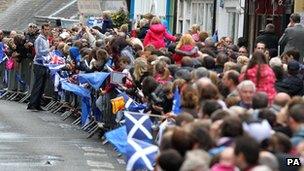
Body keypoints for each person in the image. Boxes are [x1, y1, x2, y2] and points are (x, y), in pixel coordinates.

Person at [27, 23, 52, 111]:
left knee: (42, 86)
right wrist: (49, 50)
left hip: (45, 64)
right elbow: (38, 52)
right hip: (38, 64)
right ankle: (32, 104)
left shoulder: (47, 39)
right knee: (37, 85)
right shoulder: (39, 39)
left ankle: (38, 104)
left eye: (48, 29)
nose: (47, 31)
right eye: (45, 29)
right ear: (42, 30)